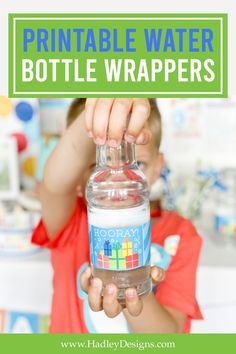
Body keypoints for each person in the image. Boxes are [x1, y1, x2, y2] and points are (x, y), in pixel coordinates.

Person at [32, 98, 203, 333]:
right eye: (97, 166)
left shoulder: (181, 236)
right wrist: (98, 109)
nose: (119, 180)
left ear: (157, 167)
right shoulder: (70, 220)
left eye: (137, 164)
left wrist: (133, 286)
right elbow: (55, 184)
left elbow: (168, 337)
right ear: (79, 180)